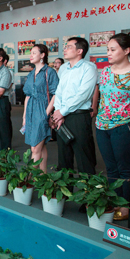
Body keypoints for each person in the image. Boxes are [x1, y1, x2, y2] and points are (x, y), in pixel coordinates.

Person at [93, 32, 130, 220]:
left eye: (112, 49)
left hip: (124, 127)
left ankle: (128, 207)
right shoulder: (105, 72)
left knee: (125, 169)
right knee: (111, 169)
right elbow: (102, 98)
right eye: (107, 49)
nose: (108, 53)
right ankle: (115, 202)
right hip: (102, 127)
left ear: (126, 51)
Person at [52, 37, 97, 176]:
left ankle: (87, 189)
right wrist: (58, 111)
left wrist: (62, 111)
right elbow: (59, 91)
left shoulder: (89, 68)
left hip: (79, 116)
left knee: (84, 157)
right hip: (62, 116)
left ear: (79, 51)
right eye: (65, 46)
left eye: (69, 47)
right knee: (64, 157)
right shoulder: (63, 68)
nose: (65, 49)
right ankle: (65, 188)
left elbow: (83, 95)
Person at [22, 44, 59, 172]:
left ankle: (28, 178)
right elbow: (27, 96)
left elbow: (55, 94)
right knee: (41, 146)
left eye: (34, 53)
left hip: (42, 109)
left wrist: (45, 113)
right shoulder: (31, 73)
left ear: (42, 55)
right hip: (30, 110)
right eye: (30, 53)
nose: (31, 55)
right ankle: (44, 176)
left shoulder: (49, 72)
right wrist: (24, 116)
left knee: (35, 148)